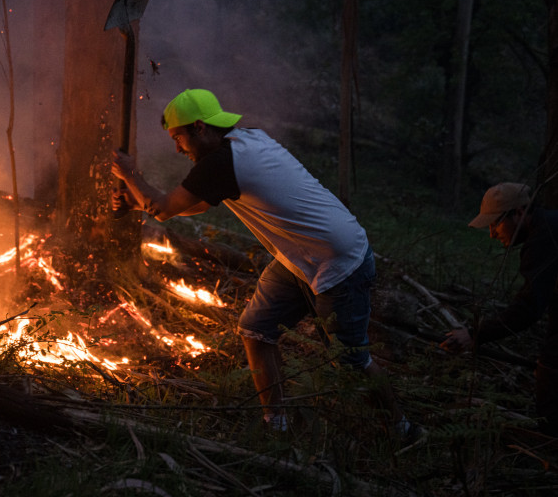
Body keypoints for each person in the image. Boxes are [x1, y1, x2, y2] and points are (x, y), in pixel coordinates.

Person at [110, 88, 421, 442]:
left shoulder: (221, 163)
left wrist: (129, 175)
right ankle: (277, 426)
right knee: (255, 330)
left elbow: (164, 209)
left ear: (199, 127)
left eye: (178, 138)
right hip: (300, 257)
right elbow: (192, 205)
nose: (177, 148)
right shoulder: (246, 140)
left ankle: (403, 429)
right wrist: (137, 204)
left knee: (351, 361)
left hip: (340, 261)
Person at [441, 182, 558, 436]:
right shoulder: (547, 226)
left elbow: (529, 307)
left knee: (550, 377)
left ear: (518, 212)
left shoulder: (545, 237)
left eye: (496, 223)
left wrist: (475, 334)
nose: (492, 233)